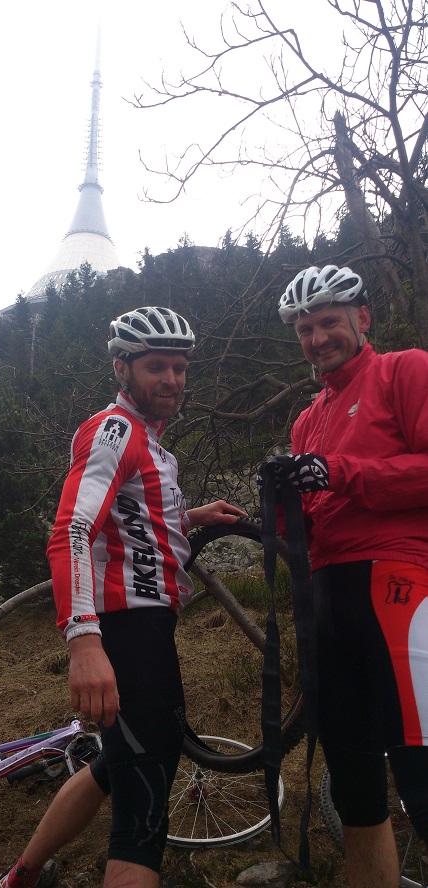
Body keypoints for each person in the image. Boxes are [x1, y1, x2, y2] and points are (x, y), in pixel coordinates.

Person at [0, 306, 246, 888]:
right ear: (122, 368)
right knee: (145, 806)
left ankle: (21, 876)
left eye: (180, 368)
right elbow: (72, 529)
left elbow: (133, 520)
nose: (172, 380)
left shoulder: (153, 444)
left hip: (145, 627)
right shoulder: (116, 430)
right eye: (156, 367)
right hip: (126, 629)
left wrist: (191, 517)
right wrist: (84, 642)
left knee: (120, 763)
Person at [264, 265, 428, 888]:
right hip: (326, 599)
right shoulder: (308, 419)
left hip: (397, 582)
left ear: (362, 318)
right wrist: (277, 506)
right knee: (355, 785)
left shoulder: (405, 370)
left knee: (421, 774)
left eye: (329, 322)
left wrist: (339, 473)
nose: (317, 338)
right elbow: (310, 524)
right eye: (305, 330)